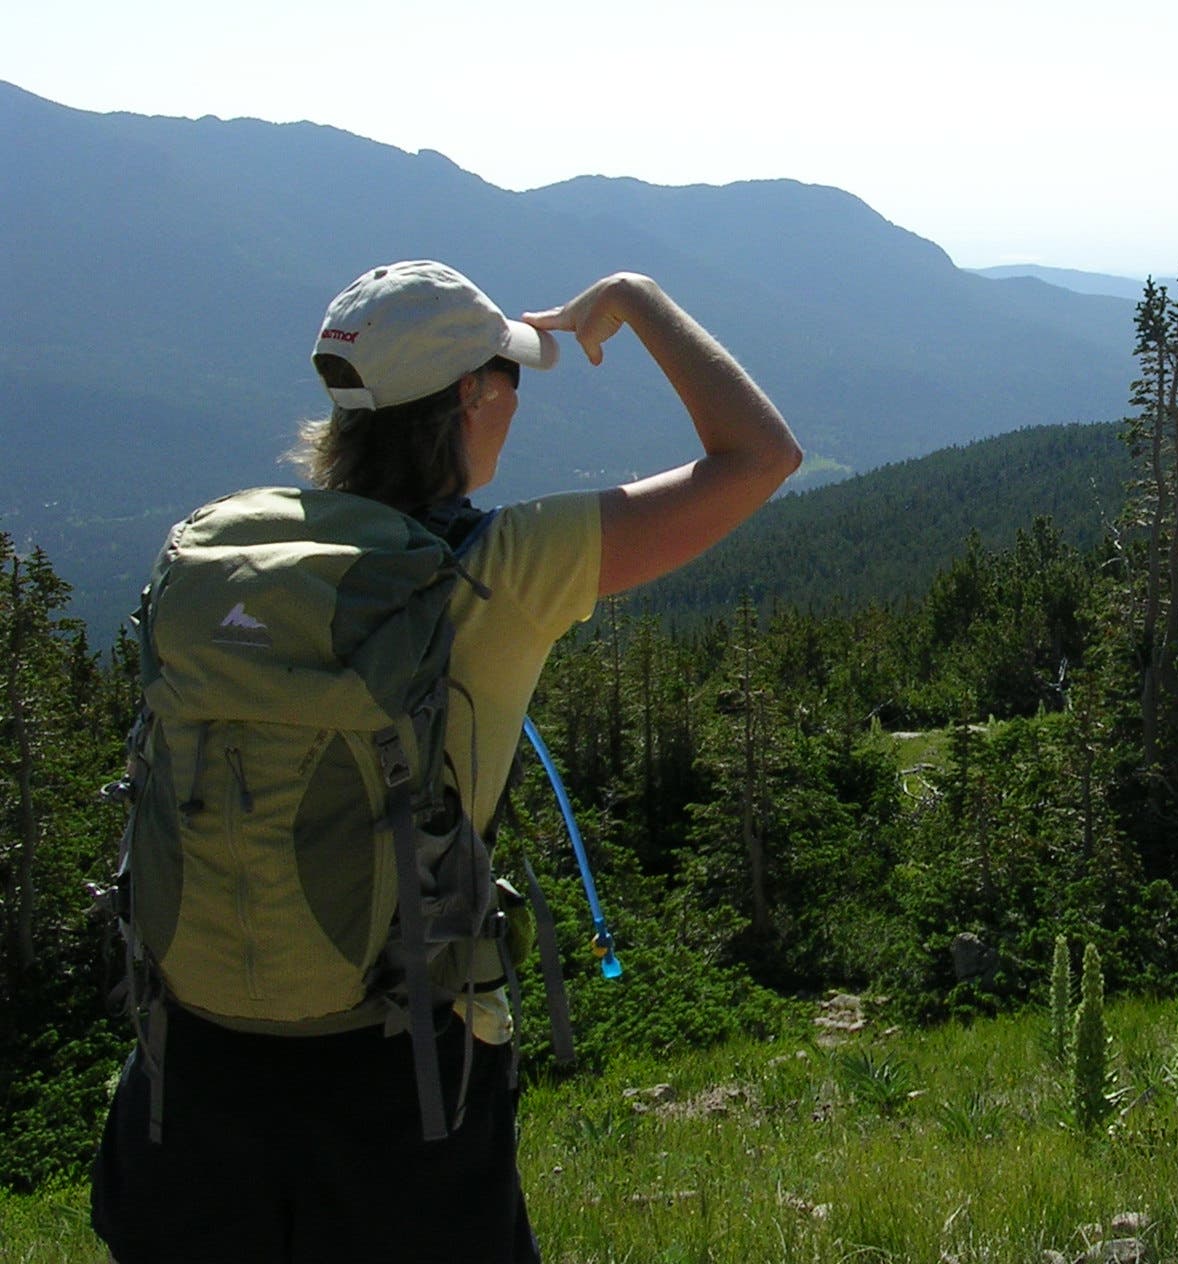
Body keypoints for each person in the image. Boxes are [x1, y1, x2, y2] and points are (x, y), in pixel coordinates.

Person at [90, 261, 802, 1264]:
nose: (515, 400)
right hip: (399, 1076)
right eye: (510, 378)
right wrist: (636, 300)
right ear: (471, 395)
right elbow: (759, 455)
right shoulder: (502, 569)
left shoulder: (215, 557)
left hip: (188, 1070)